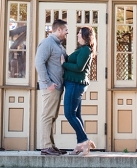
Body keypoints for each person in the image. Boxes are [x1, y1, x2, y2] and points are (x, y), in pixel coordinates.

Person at [35, 19, 68, 156]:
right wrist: (48, 83)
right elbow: (39, 63)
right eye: (65, 30)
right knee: (47, 116)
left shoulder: (58, 45)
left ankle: (51, 146)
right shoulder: (47, 43)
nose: (67, 33)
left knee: (52, 117)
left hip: (57, 87)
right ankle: (45, 146)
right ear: (58, 30)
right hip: (51, 88)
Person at [63, 26, 97, 156]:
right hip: (74, 84)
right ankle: (81, 145)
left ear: (85, 36)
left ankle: (84, 140)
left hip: (75, 85)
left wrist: (63, 63)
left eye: (79, 33)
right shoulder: (82, 50)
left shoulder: (85, 50)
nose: (77, 35)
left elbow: (78, 67)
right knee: (76, 116)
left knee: (69, 114)